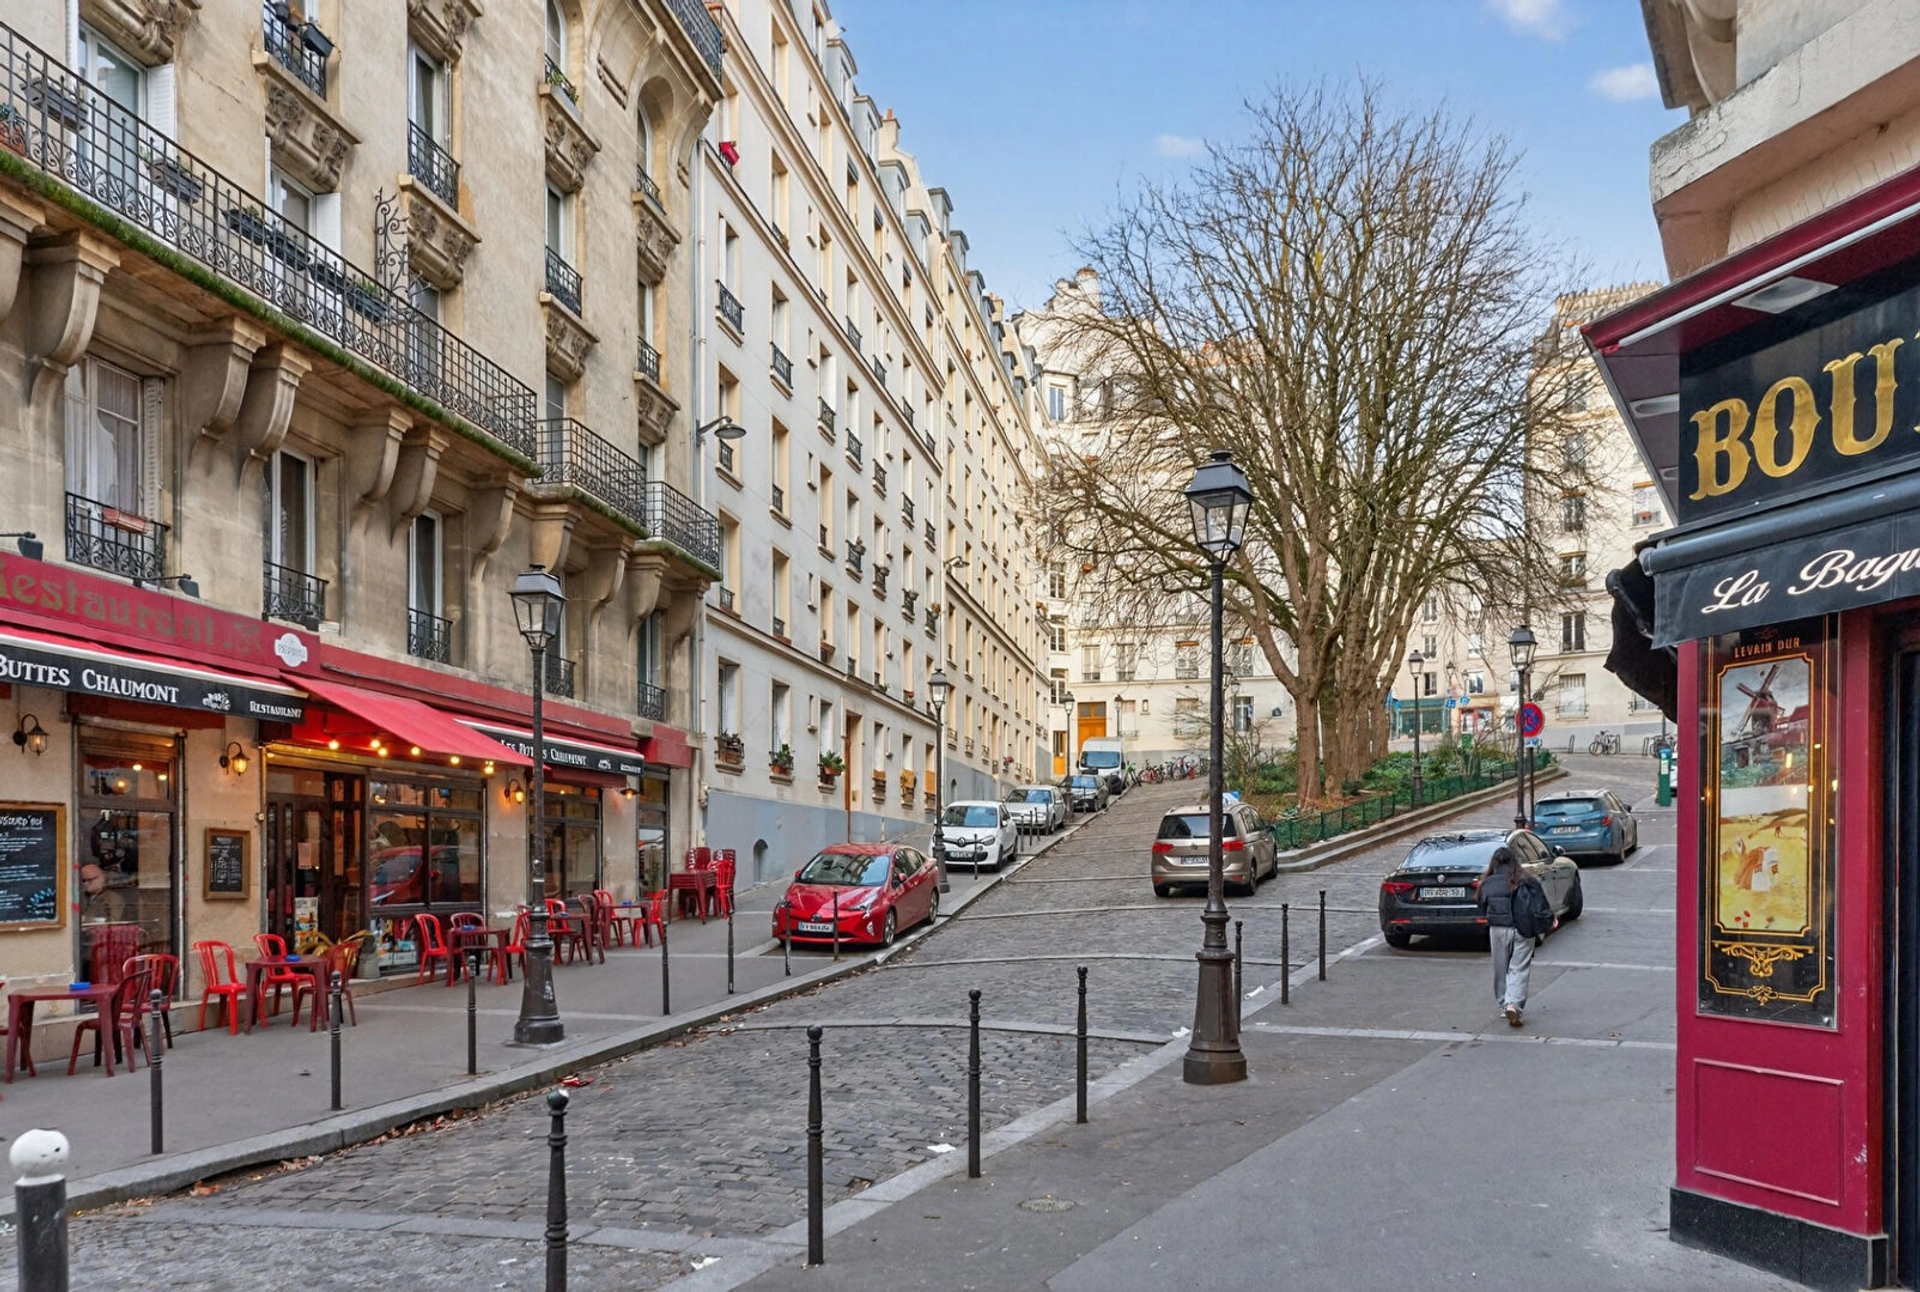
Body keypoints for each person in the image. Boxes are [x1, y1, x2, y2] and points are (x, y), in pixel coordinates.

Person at [1477, 845, 1550, 1028]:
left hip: (1497, 929)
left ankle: (1503, 1004)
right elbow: (1540, 901)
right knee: (1519, 967)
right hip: (1522, 928)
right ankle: (1513, 1004)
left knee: (1500, 969)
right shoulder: (1524, 879)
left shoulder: (1487, 883)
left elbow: (1482, 905)